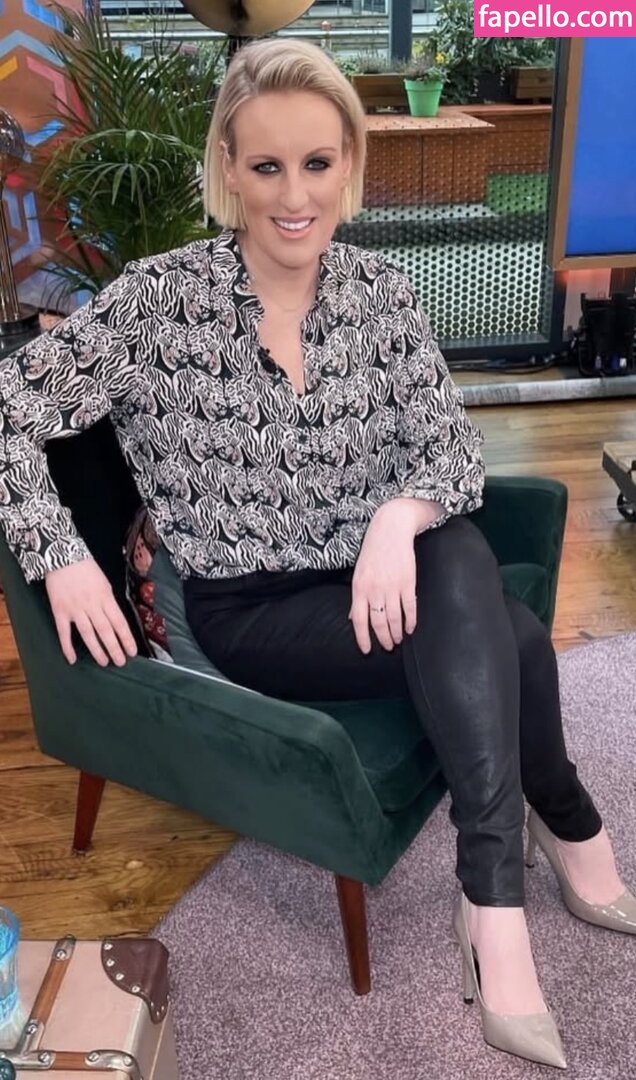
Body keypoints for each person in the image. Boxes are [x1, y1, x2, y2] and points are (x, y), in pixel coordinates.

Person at [0, 36, 634, 1070]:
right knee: (505, 629)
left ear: (349, 165)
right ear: (228, 168)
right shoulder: (158, 303)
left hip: (377, 578)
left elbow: (450, 451)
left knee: (459, 557)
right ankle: (554, 839)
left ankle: (497, 897)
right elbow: (8, 410)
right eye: (266, 166)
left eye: (317, 163)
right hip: (254, 611)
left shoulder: (381, 292)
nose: (294, 196)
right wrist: (60, 553)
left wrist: (393, 521)